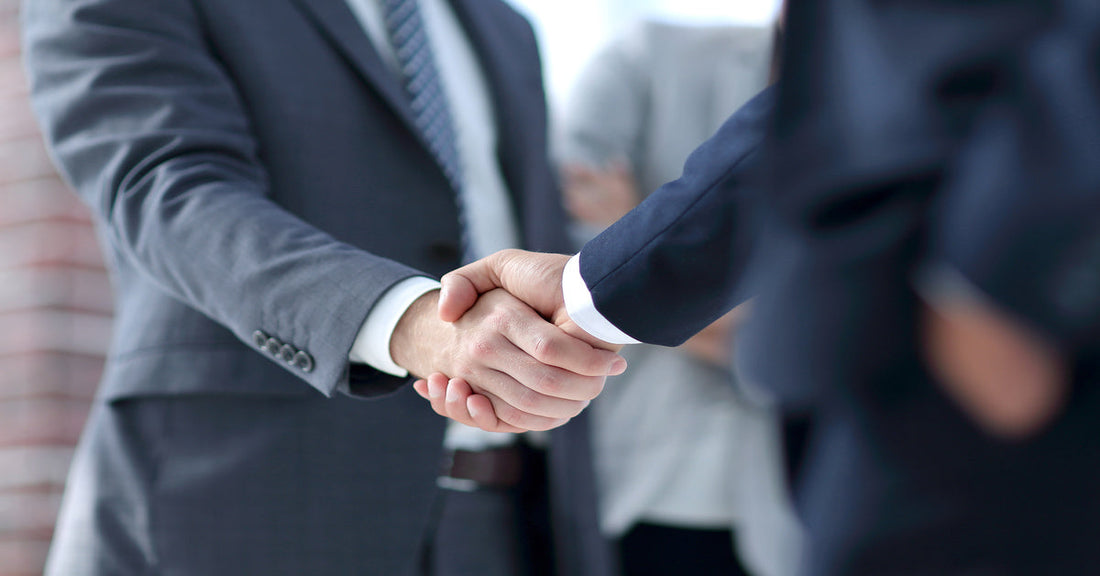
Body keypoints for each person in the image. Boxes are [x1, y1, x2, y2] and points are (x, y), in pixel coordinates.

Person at [419, 1, 1100, 574]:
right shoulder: (644, 51)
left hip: (992, 395)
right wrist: (586, 293)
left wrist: (997, 294)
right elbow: (834, 112)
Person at [22, 0, 625, 575]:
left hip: (509, 522)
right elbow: (168, 191)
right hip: (252, 506)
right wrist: (415, 322)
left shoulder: (502, 25)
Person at [557, 17, 800, 576]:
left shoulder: (896, 100)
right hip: (624, 484)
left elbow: (822, 337)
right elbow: (568, 273)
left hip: (780, 514)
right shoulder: (646, 55)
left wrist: (630, 223)